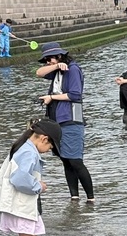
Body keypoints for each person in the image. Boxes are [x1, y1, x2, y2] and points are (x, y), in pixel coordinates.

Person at [0, 119, 61, 236]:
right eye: (50, 147)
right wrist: (38, 186)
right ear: (44, 139)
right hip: (20, 205)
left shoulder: (24, 147)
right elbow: (19, 178)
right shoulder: (29, 152)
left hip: (19, 204)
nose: (48, 151)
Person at [36, 42, 94, 202]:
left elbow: (75, 94)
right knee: (66, 161)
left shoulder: (73, 69)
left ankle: (91, 198)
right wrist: (55, 66)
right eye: (46, 60)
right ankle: (74, 197)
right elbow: (39, 73)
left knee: (75, 161)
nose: (47, 62)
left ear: (60, 56)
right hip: (57, 121)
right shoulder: (56, 70)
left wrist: (51, 97)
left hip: (71, 120)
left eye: (50, 59)